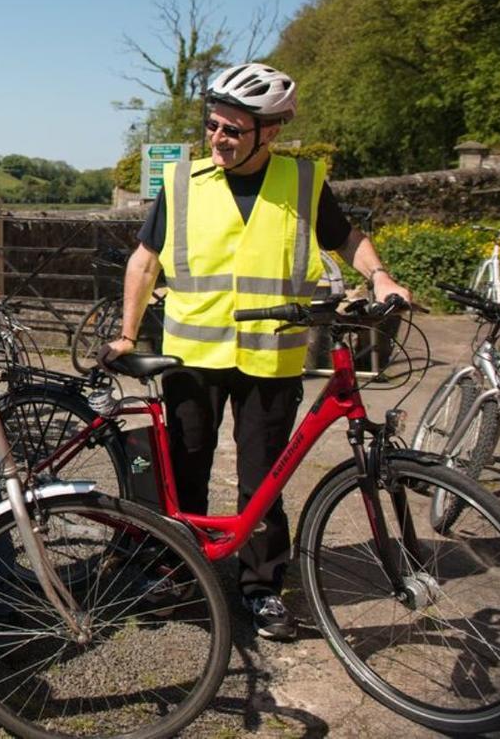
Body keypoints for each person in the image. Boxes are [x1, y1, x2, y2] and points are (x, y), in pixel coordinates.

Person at [102, 63, 410, 640]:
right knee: (183, 472)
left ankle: (261, 588)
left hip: (272, 355)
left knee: (262, 480)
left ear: (269, 133)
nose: (217, 138)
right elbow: (145, 260)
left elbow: (347, 238)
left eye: (232, 130)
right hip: (192, 357)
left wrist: (382, 278)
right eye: (213, 126)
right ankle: (175, 571)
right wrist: (126, 332)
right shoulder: (183, 181)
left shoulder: (302, 181)